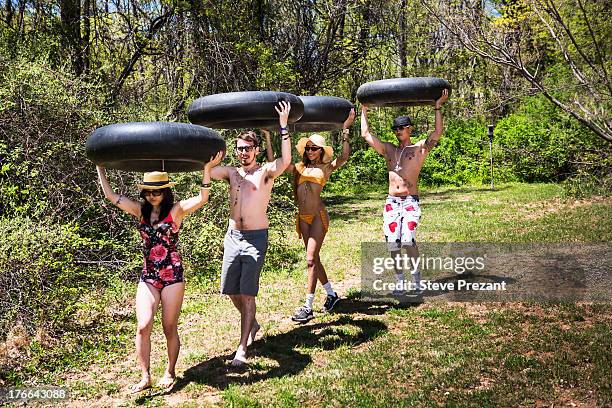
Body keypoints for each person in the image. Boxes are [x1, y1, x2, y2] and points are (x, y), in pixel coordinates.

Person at [96, 151, 223, 393]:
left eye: (158, 191)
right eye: (149, 191)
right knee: (143, 325)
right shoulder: (140, 210)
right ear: (144, 193)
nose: (153, 196)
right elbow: (110, 196)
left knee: (168, 327)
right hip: (149, 274)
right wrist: (100, 167)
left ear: (166, 191)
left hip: (172, 273)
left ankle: (170, 371)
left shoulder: (176, 210)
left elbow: (203, 198)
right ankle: (145, 377)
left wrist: (207, 169)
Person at [210, 101, 291, 366]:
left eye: (247, 148)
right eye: (239, 149)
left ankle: (242, 347)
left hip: (256, 238)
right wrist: (210, 146)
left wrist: (283, 127)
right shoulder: (232, 173)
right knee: (231, 291)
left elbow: (286, 159)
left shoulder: (265, 173)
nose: (243, 153)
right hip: (233, 237)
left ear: (256, 150)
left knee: (247, 294)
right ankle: (252, 323)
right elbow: (208, 170)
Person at [264, 109, 355, 323]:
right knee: (314, 259)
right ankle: (332, 295)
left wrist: (345, 130)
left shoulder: (326, 167)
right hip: (302, 217)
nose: (311, 150)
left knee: (310, 259)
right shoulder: (298, 167)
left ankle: (307, 306)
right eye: (308, 148)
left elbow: (344, 156)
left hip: (317, 216)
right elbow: (272, 162)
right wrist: (268, 136)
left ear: (321, 150)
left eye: (315, 148)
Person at [360, 89, 449, 297]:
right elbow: (366, 135)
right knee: (393, 243)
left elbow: (436, 133)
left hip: (409, 200)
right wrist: (364, 109)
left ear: (410, 129)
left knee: (408, 239)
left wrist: (437, 106)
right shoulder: (389, 149)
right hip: (392, 201)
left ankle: (416, 278)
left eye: (401, 127)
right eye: (395, 128)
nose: (397, 130)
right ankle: (400, 281)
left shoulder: (419, 149)